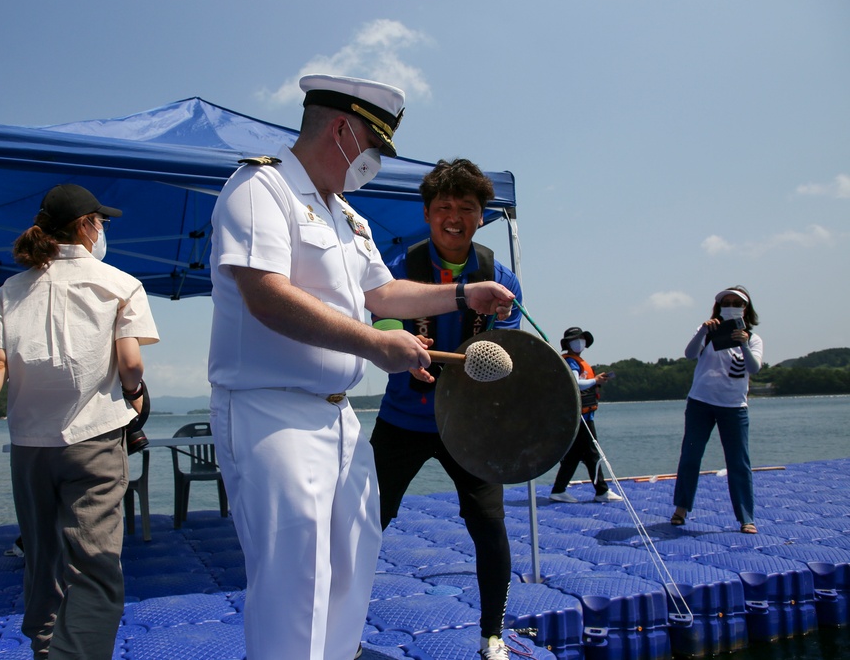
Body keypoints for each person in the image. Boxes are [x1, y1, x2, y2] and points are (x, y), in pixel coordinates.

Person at [208, 75, 515, 660]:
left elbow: (384, 294)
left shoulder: (348, 216)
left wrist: (463, 295)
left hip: (339, 417)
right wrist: (375, 347)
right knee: (293, 577)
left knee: (353, 557)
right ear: (344, 131)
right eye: (376, 145)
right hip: (270, 410)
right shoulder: (260, 188)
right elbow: (265, 293)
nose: (374, 160)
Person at [0, 184, 159, 660]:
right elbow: (130, 364)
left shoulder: (12, 288)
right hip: (95, 441)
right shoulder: (119, 283)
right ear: (88, 226)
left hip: (30, 446)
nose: (103, 230)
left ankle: (46, 648)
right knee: (94, 566)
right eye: (101, 222)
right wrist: (133, 396)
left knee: (42, 560)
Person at [368, 158, 522, 660]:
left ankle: (492, 635)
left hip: (470, 427)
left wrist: (500, 330)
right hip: (402, 419)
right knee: (367, 520)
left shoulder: (501, 280)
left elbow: (508, 356)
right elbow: (382, 321)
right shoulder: (399, 269)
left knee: (489, 527)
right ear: (428, 214)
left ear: (482, 216)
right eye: (443, 208)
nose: (453, 217)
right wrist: (399, 346)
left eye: (467, 208)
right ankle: (339, 622)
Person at [671, 286, 763, 534]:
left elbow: (754, 369)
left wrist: (743, 343)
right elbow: (690, 354)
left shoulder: (753, 339)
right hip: (700, 403)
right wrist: (703, 330)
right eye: (726, 301)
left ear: (746, 308)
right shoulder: (708, 333)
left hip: (734, 407)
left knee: (738, 462)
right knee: (690, 456)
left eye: (737, 302)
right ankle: (681, 508)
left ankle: (746, 517)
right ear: (718, 306)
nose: (731, 305)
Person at [549, 327, 622, 504]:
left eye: (582, 339)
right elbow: (575, 384)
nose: (579, 342)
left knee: (577, 455)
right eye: (576, 339)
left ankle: (559, 490)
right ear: (568, 343)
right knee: (591, 453)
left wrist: (595, 381)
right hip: (580, 417)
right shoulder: (571, 362)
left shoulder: (578, 361)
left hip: (585, 416)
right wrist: (595, 381)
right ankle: (601, 491)